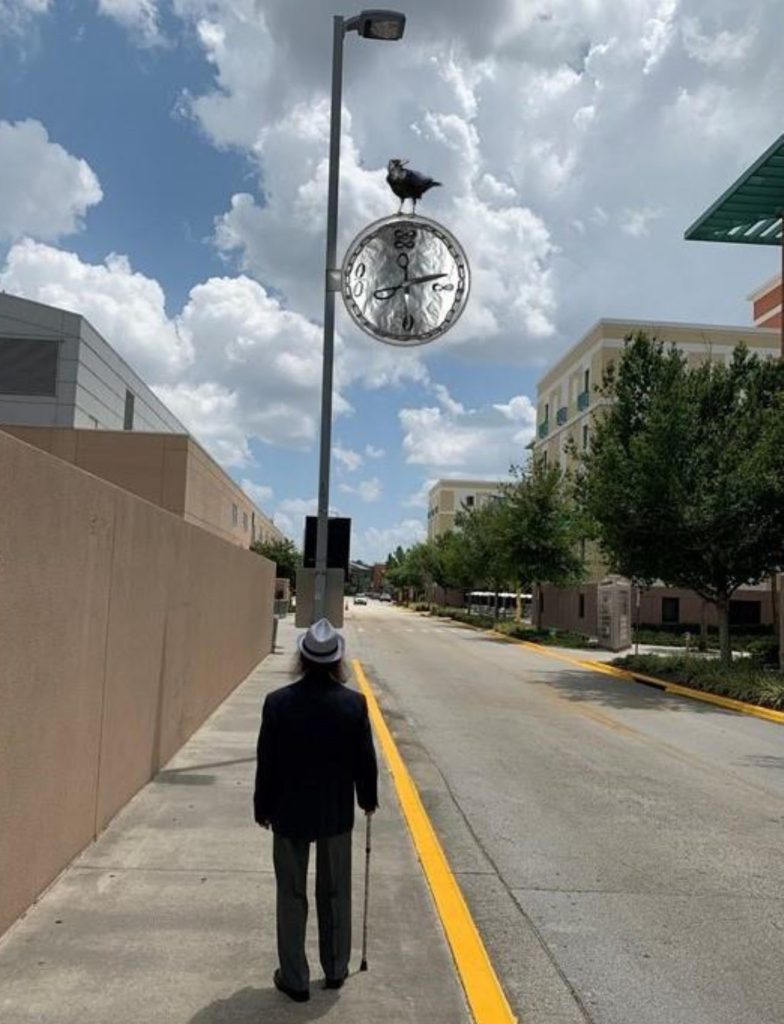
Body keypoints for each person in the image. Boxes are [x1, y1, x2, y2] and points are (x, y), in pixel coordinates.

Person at [254, 617, 378, 1003]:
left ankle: (294, 977)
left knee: (291, 893)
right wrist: (367, 798)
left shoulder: (277, 703)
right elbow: (365, 761)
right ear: (337, 661)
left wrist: (263, 805)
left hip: (289, 813)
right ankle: (336, 968)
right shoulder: (353, 704)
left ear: (303, 659)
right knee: (335, 890)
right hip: (335, 813)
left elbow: (267, 761)